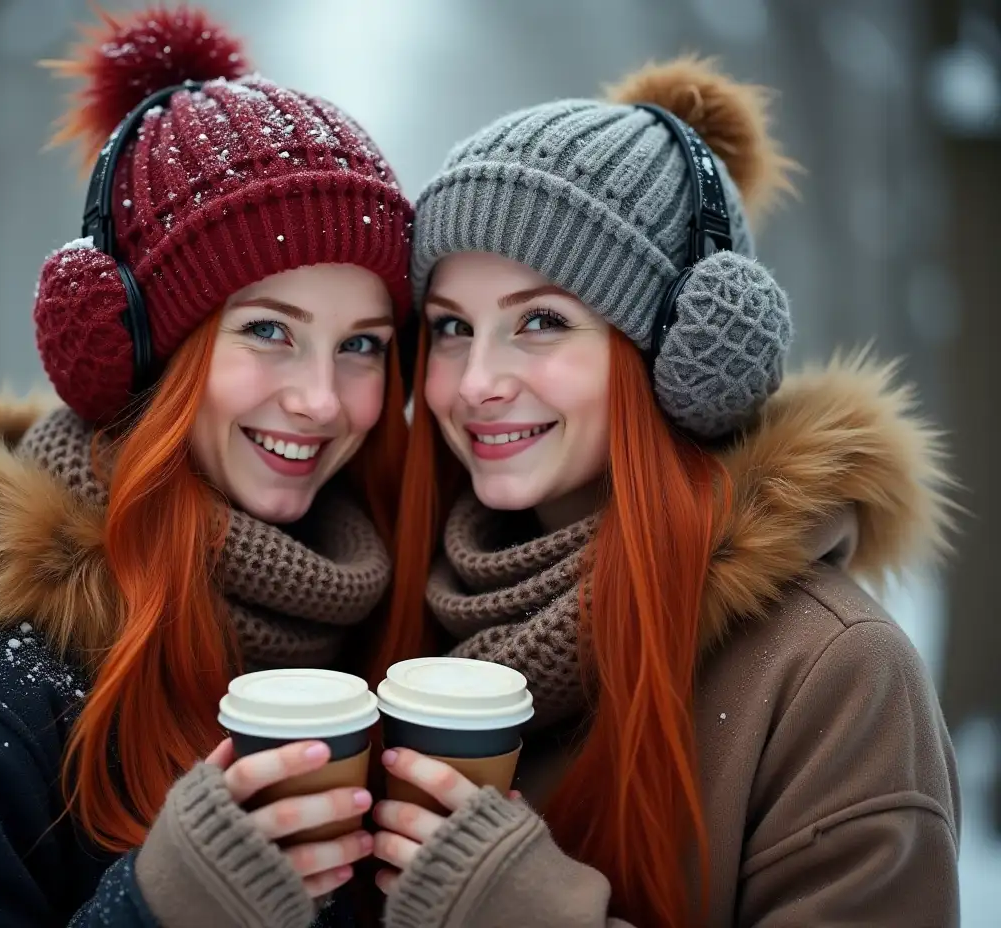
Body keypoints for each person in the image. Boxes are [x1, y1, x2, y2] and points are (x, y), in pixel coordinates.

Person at [371, 57, 961, 927]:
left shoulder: (834, 675)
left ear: (690, 354)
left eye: (541, 321)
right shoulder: (402, 610)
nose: (475, 381)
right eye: (454, 328)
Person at [0, 6, 414, 927]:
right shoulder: (7, 691)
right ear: (137, 350)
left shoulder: (389, 632)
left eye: (361, 344)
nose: (321, 399)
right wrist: (162, 904)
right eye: (268, 331)